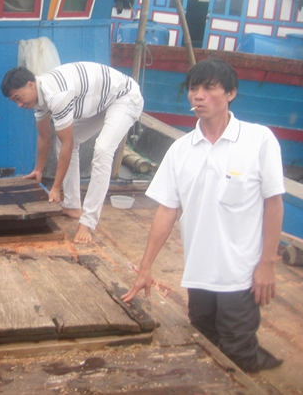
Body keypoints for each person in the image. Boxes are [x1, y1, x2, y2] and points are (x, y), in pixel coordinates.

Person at [122, 58, 285, 373]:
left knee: (238, 349)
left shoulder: (258, 140)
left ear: (231, 93)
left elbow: (273, 204)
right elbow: (167, 211)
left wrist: (266, 264)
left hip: (241, 273)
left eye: (209, 88)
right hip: (198, 273)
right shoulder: (181, 150)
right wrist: (145, 268)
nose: (198, 96)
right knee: (203, 341)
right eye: (193, 89)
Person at [1, 62, 144, 244]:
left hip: (125, 97)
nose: (19, 104)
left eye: (18, 98)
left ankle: (87, 222)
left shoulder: (56, 95)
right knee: (68, 140)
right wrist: (39, 169)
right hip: (104, 101)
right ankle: (72, 206)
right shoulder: (38, 97)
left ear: (30, 85)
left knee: (102, 150)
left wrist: (55, 187)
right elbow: (44, 136)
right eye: (15, 101)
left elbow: (66, 143)